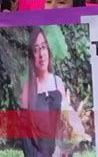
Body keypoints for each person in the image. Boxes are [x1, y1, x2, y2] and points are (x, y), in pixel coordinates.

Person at [20, 27, 67, 156]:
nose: (41, 54)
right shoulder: (27, 89)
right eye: (35, 50)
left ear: (48, 50)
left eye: (43, 47)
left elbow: (66, 125)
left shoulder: (58, 83)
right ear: (31, 56)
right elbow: (26, 138)